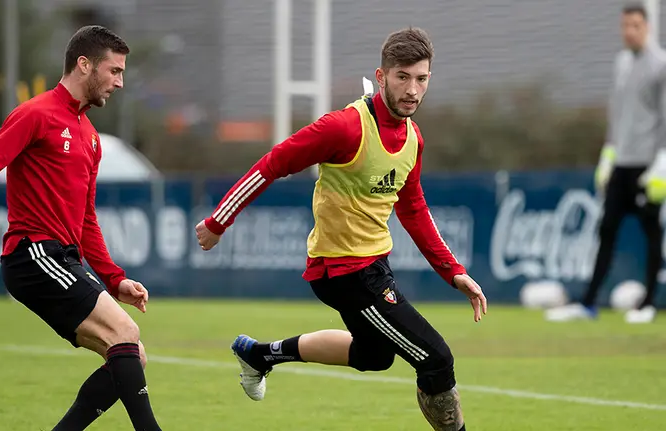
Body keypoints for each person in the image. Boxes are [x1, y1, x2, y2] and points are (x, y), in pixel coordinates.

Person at [195, 27, 486, 431]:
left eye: (422, 79)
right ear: (381, 77)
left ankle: (259, 355)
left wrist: (454, 272)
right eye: (402, 77)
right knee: (436, 359)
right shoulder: (344, 127)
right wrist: (218, 222)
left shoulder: (413, 138)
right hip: (345, 272)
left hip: (372, 267)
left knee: (375, 356)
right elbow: (274, 162)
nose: (413, 90)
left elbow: (414, 207)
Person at [0, 25, 163, 430]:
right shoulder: (36, 114)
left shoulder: (91, 136)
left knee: (132, 353)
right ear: (84, 65)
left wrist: (115, 279)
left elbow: (86, 219)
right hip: (33, 255)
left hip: (63, 257)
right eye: (114, 71)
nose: (120, 82)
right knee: (125, 331)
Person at [546, 2, 666, 324]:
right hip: (622, 163)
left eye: (635, 26)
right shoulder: (622, 62)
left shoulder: (661, 65)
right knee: (606, 230)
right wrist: (607, 156)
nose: (629, 31)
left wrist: (661, 164)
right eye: (625, 25)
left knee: (651, 234)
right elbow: (618, 117)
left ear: (647, 27)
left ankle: (648, 304)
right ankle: (588, 303)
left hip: (648, 166)